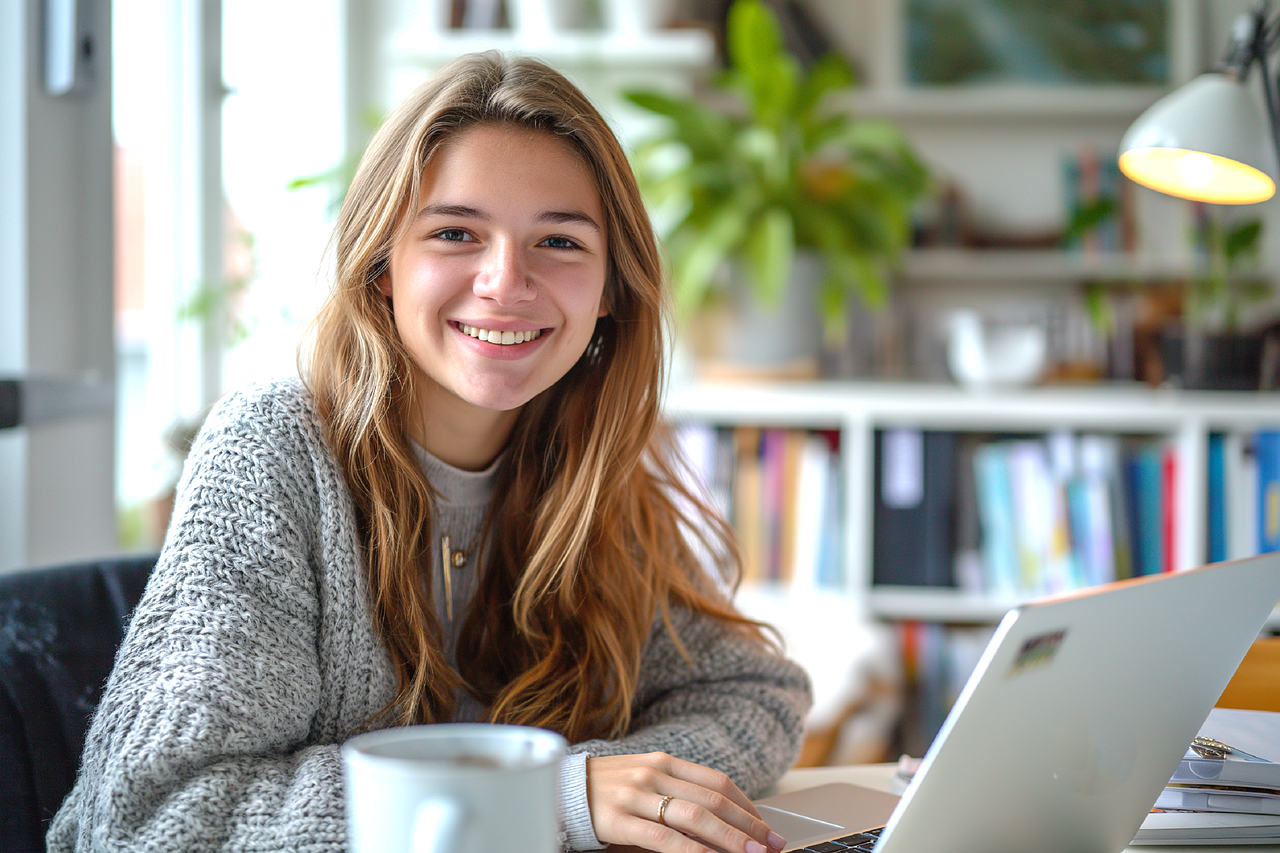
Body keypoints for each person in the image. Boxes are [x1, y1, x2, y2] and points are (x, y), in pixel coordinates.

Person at [48, 51, 811, 853]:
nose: (504, 281)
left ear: (612, 290)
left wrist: (602, 786)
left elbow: (755, 691)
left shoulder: (587, 463)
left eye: (559, 241)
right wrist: (544, 796)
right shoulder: (270, 451)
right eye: (455, 232)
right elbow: (162, 815)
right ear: (382, 263)